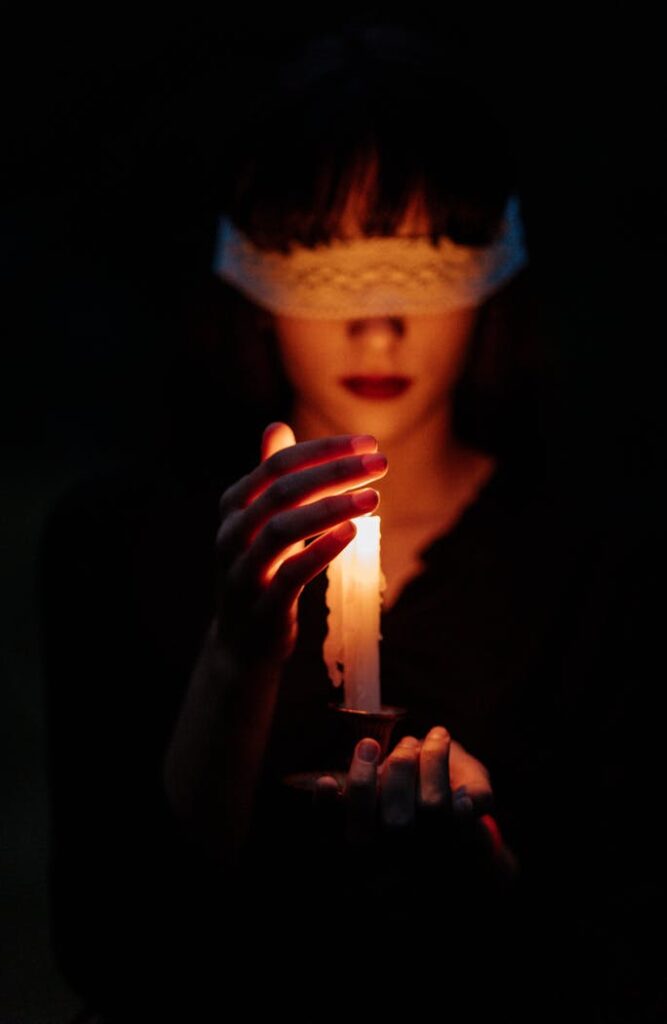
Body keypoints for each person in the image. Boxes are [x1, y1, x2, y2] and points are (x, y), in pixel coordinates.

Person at [39, 19, 664, 1023]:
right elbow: (116, 947)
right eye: (325, 263)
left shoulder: (611, 572)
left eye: (422, 260)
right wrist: (238, 658)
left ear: (493, 272)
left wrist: (487, 889)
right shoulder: (115, 547)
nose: (377, 325)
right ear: (248, 280)